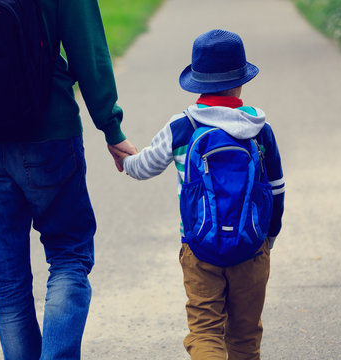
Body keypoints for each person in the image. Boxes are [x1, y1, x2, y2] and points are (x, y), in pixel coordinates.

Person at [0, 0, 137, 359]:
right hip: (48, 133)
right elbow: (88, 48)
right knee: (69, 257)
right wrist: (111, 128)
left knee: (8, 284)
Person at [111, 29, 285, 359]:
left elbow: (144, 167)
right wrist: (268, 237)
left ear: (197, 82)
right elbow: (276, 189)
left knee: (205, 330)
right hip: (252, 249)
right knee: (246, 336)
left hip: (200, 249)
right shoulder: (261, 130)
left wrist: (125, 159)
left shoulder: (183, 126)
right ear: (241, 81)